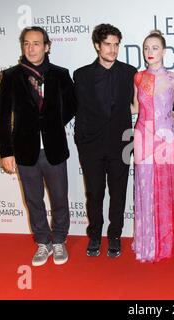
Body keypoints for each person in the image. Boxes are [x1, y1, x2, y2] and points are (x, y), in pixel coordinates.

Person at [0, 26, 76, 266]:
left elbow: (72, 105)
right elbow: (2, 117)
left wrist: (52, 123)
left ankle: (59, 239)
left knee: (60, 198)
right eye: (27, 44)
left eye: (37, 43)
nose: (31, 48)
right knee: (33, 199)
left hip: (54, 148)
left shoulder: (60, 74)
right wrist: (6, 152)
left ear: (47, 46)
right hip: (24, 150)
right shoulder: (10, 76)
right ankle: (43, 242)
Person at [73, 23, 136, 258]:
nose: (112, 49)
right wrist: (82, 141)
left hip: (120, 144)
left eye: (116, 44)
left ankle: (115, 236)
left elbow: (141, 103)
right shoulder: (81, 75)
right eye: (108, 44)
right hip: (92, 146)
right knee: (95, 193)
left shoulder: (130, 73)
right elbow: (77, 110)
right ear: (97, 46)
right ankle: (95, 236)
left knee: (119, 193)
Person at [131, 30, 174, 262]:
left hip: (165, 138)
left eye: (154, 48)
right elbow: (135, 107)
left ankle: (163, 243)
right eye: (146, 48)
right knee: (144, 188)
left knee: (165, 189)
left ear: (163, 50)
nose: (150, 52)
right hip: (143, 136)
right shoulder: (138, 77)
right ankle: (146, 242)